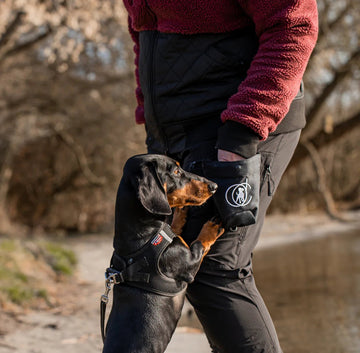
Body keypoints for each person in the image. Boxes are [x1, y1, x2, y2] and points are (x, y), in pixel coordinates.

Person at [122, 0, 318, 352]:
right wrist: (150, 120)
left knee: (214, 269)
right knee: (185, 266)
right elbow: (143, 31)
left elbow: (294, 24)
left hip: (241, 123)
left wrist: (243, 131)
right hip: (178, 133)